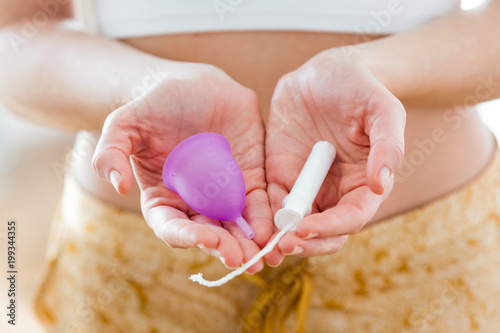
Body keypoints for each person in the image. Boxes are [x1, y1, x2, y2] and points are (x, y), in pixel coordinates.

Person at [1, 0, 500, 332]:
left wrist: (377, 70)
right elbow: (14, 35)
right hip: (136, 276)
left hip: (422, 267)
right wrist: (145, 85)